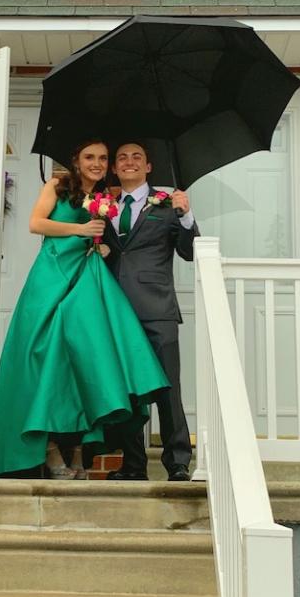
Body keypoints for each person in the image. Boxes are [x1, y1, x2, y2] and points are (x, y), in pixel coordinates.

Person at [0, 139, 170, 481]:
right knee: (46, 357)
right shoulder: (56, 185)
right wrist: (80, 229)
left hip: (88, 278)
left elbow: (109, 235)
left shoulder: (107, 198)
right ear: (76, 161)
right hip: (53, 276)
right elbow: (37, 224)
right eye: (89, 157)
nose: (96, 163)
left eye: (102, 158)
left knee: (84, 362)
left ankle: (78, 450)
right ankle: (48, 451)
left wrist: (103, 245)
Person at [103, 142, 200, 482]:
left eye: (136, 157)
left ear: (148, 167)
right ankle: (133, 464)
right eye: (122, 157)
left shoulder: (167, 204)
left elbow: (190, 252)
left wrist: (186, 215)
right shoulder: (103, 206)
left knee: (167, 388)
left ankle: (177, 463)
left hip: (157, 307)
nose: (129, 162)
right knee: (127, 389)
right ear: (114, 168)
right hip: (116, 311)